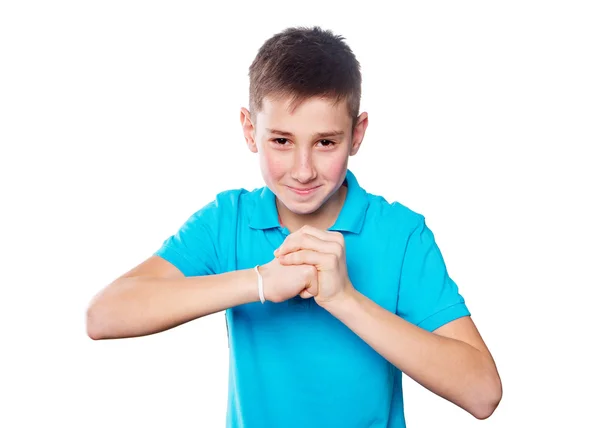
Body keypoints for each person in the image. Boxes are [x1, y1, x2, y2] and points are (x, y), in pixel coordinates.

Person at [86, 26, 502, 427]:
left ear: (357, 135)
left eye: (325, 142)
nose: (303, 171)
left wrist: (344, 299)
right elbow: (104, 316)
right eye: (282, 141)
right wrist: (260, 282)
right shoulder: (227, 221)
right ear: (250, 130)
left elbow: (482, 393)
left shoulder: (402, 234)